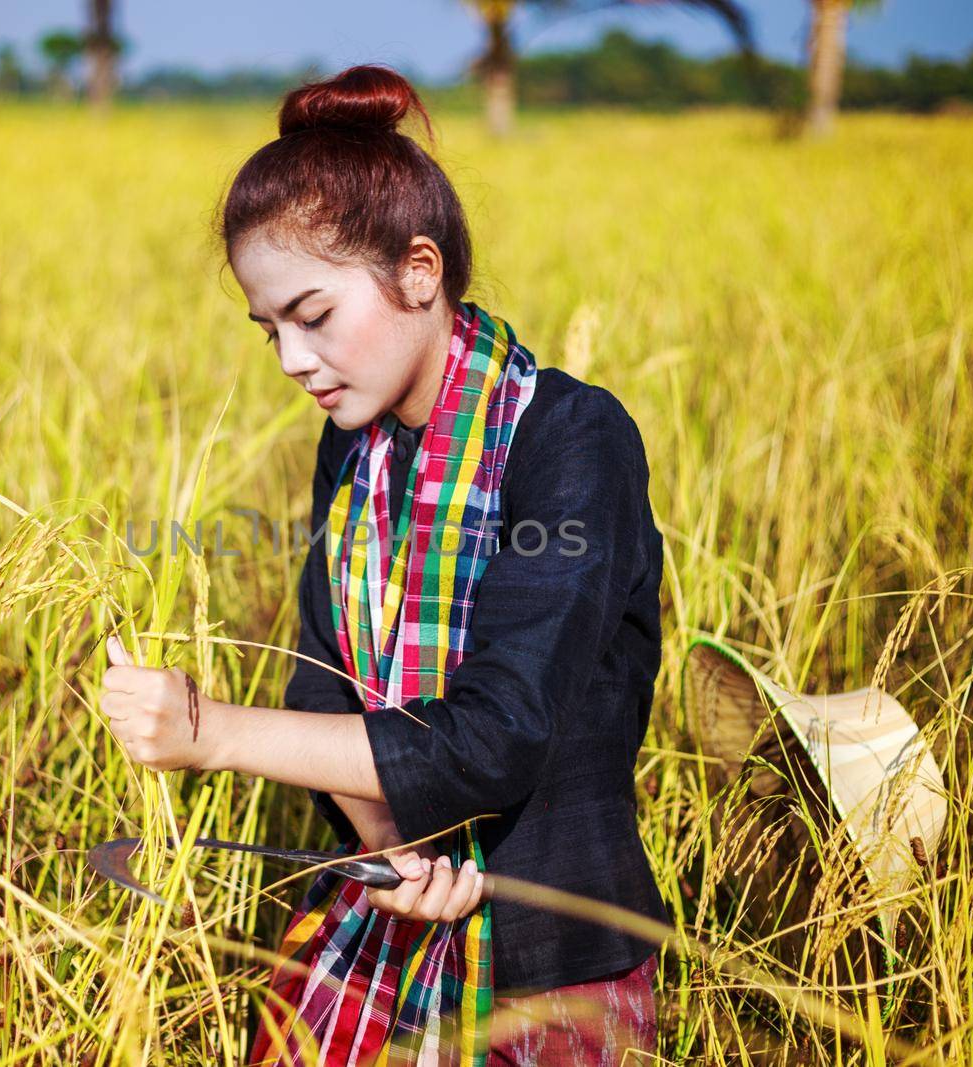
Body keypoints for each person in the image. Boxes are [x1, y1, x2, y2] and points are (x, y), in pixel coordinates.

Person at [98, 64, 667, 1066]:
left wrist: (206, 730)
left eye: (312, 315)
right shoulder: (352, 446)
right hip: (384, 915)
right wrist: (394, 847)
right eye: (267, 328)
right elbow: (326, 672)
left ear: (418, 270)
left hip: (550, 959)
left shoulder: (571, 440)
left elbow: (496, 736)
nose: (289, 359)